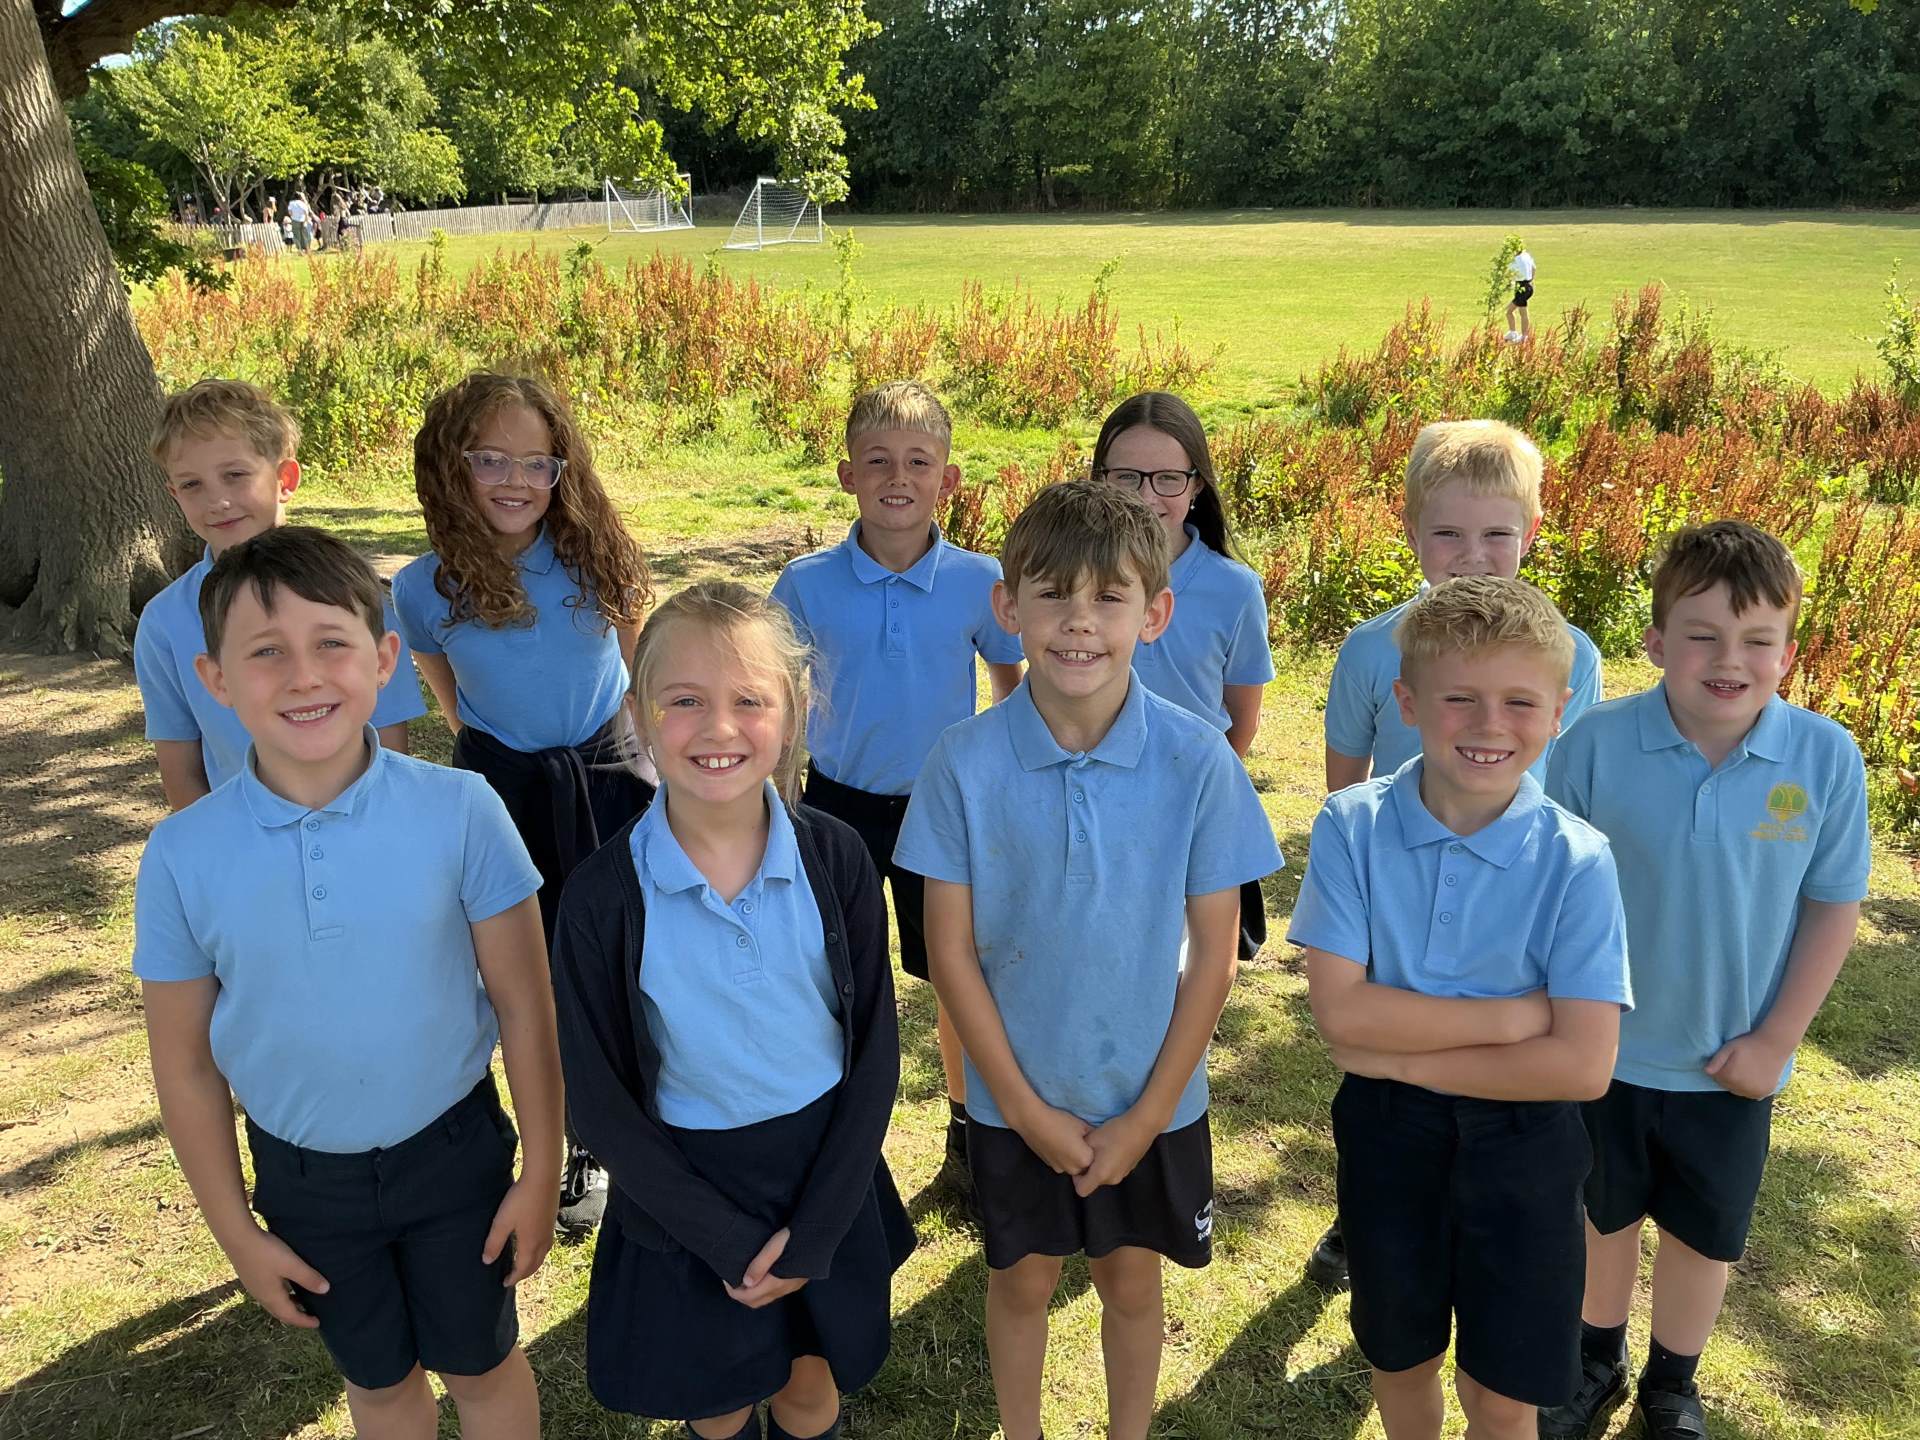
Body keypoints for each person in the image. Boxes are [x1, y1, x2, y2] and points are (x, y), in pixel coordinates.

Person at [133, 526, 563, 1440]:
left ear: (384, 660)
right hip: (303, 1177)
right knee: (378, 1384)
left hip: (455, 1155)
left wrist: (541, 1168)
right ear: (214, 680)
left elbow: (526, 1006)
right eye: (265, 652)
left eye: (331, 642)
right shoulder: (181, 854)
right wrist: (237, 1233)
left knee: (482, 1367)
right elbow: (185, 1067)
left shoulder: (461, 810)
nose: (304, 676)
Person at [895, 479, 1282, 1440]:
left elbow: (1215, 956)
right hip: (1012, 1101)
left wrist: (1146, 1117)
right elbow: (950, 953)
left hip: (1150, 1102)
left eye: (1109, 598)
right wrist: (1023, 1109)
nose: (1079, 622)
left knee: (1131, 1281)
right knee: (1020, 1282)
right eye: (1052, 594)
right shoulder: (960, 762)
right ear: (1007, 607)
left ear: (1154, 615)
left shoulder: (1199, 761)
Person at [550, 581, 914, 1440]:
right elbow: (598, 1100)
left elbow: (874, 1053)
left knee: (810, 1387)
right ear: (636, 715)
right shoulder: (603, 898)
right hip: (688, 1193)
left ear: (793, 714)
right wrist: (721, 1239)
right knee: (715, 1407)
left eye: (749, 700)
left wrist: (816, 1232)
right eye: (684, 701)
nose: (719, 728)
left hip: (822, 1176)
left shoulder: (837, 858)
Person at [1540, 520, 1870, 1440]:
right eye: (1703, 634)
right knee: (1601, 1219)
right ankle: (1594, 1361)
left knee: (1702, 1234)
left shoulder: (1825, 759)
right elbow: (1548, 892)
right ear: (1655, 641)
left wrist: (1777, 1040)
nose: (1730, 660)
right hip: (1602, 1054)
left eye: (1758, 640)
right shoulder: (1595, 745)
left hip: (1732, 1065)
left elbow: (1831, 907)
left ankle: (1672, 1383)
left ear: (1789, 653)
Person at [1292, 575, 1631, 1440]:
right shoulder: (1351, 826)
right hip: (1387, 1136)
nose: (1489, 725)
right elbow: (1342, 1017)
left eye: (1520, 701)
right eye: (1459, 698)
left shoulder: (1579, 860)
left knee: (1502, 1396)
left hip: (1527, 1148)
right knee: (1399, 1356)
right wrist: (1512, 1020)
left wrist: (1400, 1055)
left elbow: (1581, 1066)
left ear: (1559, 712)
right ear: (1407, 703)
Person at [1309, 418, 1604, 1289]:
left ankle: (1487, 1217)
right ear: (1409, 531)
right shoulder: (1371, 649)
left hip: (1509, 903)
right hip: (1396, 905)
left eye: (1496, 535)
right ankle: (1361, 1216)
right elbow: (1344, 782)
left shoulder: (1573, 657)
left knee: (1490, 1076)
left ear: (1532, 533)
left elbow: (1567, 790)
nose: (1472, 557)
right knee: (1378, 1089)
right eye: (1447, 533)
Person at [391, 371, 652, 1238]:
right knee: (530, 980)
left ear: (561, 470)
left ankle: (647, 1123)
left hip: (612, 782)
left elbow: (639, 673)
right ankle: (574, 1140)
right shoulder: (422, 588)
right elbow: (452, 701)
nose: (515, 480)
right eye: (490, 459)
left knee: (630, 959)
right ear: (449, 465)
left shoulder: (595, 554)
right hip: (503, 795)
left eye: (537, 463)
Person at [771, 379, 1023, 1208]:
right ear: (848, 475)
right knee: (834, 978)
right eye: (877, 461)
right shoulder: (806, 584)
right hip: (833, 807)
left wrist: (1001, 783)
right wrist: (777, 804)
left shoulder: (980, 580)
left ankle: (967, 1136)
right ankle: (836, 1144)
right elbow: (780, 700)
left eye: (918, 462)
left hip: (941, 813)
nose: (897, 478)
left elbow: (1011, 682)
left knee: (958, 977)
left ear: (947, 480)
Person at [134, 378, 426, 811]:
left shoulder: (355, 596)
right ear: (174, 496)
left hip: (360, 826)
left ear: (284, 478)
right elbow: (181, 767)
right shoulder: (164, 622)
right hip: (243, 839)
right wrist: (210, 848)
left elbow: (389, 742)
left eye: (235, 475)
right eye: (193, 485)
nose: (217, 501)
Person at [1089, 390, 1274, 958]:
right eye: (1127, 477)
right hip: (1086, 794)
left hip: (1186, 803)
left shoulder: (1234, 589)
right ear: (1099, 479)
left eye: (1168, 478)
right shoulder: (1073, 578)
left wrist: (1195, 791)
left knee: (1178, 959)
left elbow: (1240, 720)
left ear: (1196, 487)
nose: (1146, 496)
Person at [1506, 245, 1536, 343]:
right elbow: (1533, 268)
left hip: (1521, 288)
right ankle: (1513, 332)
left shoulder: (1516, 260)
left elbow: (1510, 273)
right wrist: (1531, 280)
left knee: (1521, 312)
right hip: (1528, 286)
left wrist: (1509, 283)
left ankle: (1523, 336)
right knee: (1511, 311)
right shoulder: (1527, 256)